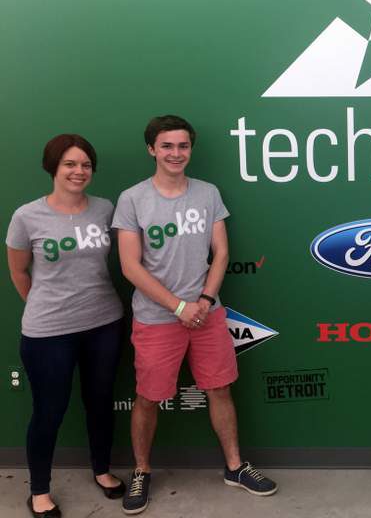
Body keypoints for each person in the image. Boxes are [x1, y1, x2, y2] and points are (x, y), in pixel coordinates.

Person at [112, 115, 277, 515]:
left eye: (183, 146)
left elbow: (220, 253)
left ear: (190, 149)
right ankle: (141, 470)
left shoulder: (207, 193)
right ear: (152, 149)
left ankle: (235, 467)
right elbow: (130, 266)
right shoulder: (132, 199)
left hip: (207, 314)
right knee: (149, 397)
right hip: (156, 318)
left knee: (220, 389)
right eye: (167, 146)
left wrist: (203, 299)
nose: (175, 153)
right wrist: (178, 306)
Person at [6, 134, 125, 518]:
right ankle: (39, 490)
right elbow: (19, 271)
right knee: (49, 410)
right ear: (53, 168)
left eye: (86, 165)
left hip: (104, 323)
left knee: (99, 404)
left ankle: (102, 470)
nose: (79, 171)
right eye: (70, 164)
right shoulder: (27, 216)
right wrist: (50, 307)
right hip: (47, 333)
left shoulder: (105, 209)